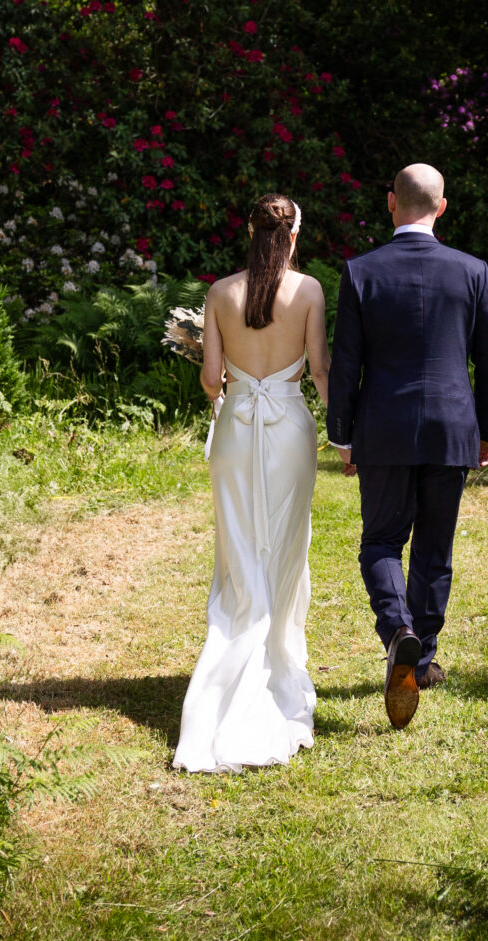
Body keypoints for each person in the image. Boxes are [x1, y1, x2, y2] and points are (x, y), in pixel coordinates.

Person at [326, 163, 488, 729]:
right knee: (434, 545)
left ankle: (397, 632)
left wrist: (342, 433)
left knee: (380, 540)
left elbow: (347, 363)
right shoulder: (472, 271)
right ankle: (420, 659)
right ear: (442, 207)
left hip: (382, 427)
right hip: (453, 426)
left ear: (390, 203)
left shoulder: (361, 272)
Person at [172, 194, 329, 773]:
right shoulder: (309, 291)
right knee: (285, 548)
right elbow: (318, 371)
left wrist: (228, 375)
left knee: (240, 551)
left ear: (249, 231)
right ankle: (277, 669)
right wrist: (344, 434)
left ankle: (233, 662)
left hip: (237, 431)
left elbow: (212, 383)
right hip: (289, 429)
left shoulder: (219, 294)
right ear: (293, 234)